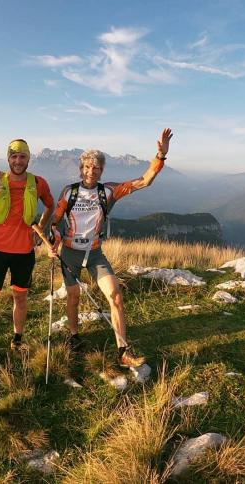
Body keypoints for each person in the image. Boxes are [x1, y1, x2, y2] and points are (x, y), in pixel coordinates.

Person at [50, 128, 173, 368]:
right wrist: (54, 237)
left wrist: (160, 157)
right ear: (81, 168)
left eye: (96, 167)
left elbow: (144, 181)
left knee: (115, 295)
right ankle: (74, 337)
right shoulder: (69, 192)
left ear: (101, 170)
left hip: (95, 253)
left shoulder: (109, 191)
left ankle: (123, 351)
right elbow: (55, 220)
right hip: (70, 252)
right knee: (73, 297)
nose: (91, 171)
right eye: (87, 167)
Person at [0, 138, 55, 365]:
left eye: (22, 156)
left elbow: (50, 205)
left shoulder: (39, 183)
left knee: (20, 298)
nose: (18, 161)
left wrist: (40, 229)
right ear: (8, 159)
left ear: (28, 158)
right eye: (14, 157)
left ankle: (17, 340)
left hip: (24, 252)